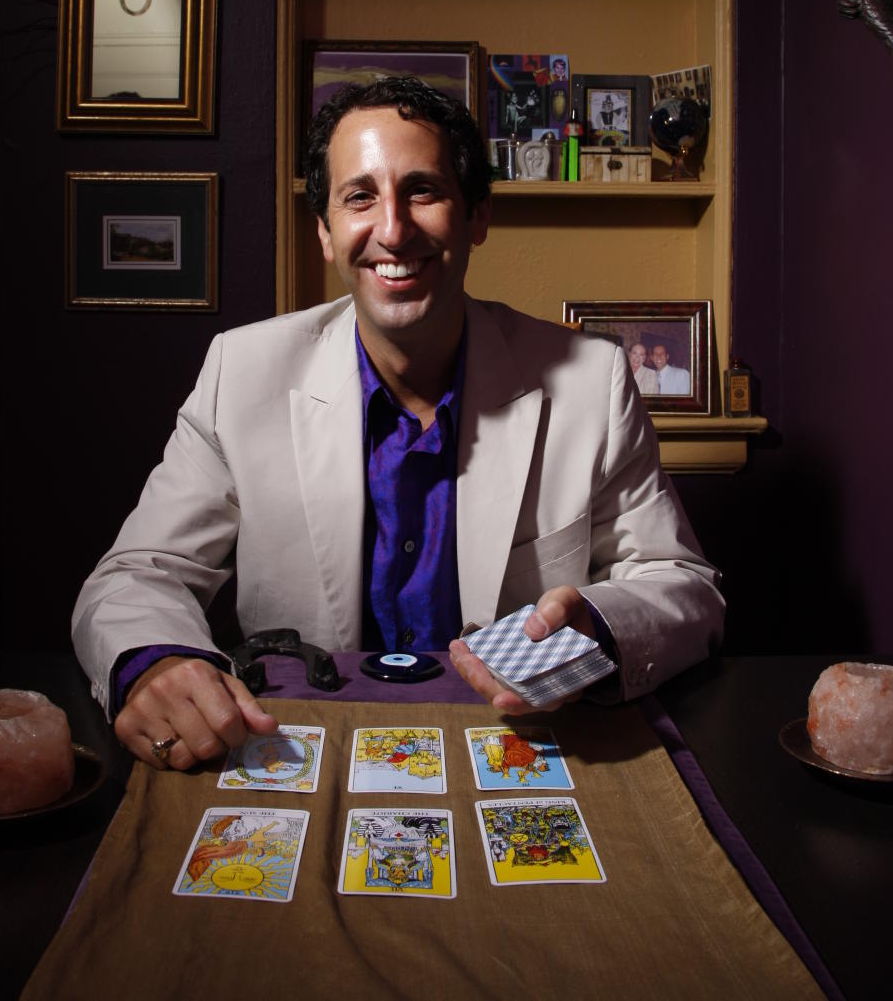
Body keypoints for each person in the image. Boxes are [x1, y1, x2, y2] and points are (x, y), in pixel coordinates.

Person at [72, 77, 723, 771]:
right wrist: (154, 661)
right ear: (324, 232)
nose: (391, 229)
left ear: (477, 217)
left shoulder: (591, 379)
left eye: (422, 191)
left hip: (516, 751)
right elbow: (136, 576)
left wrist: (598, 631)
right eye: (359, 197)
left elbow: (680, 584)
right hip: (300, 748)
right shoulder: (243, 372)